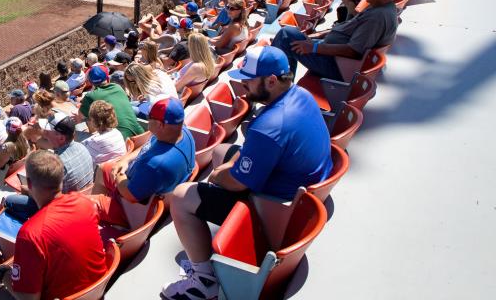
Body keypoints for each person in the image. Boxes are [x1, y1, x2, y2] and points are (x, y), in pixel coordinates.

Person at [163, 46, 332, 300]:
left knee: (180, 197)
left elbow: (237, 183)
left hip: (276, 208)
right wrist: (229, 165)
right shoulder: (302, 94)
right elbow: (258, 153)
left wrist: (219, 176)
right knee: (221, 151)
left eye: (249, 81)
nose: (243, 87)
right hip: (298, 185)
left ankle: (204, 281)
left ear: (271, 80)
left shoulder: (269, 127)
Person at [0, 151, 108, 300]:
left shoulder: (31, 234)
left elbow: (28, 298)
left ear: (30, 183)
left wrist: (4, 274)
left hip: (62, 296)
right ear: (60, 179)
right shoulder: (84, 203)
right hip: (96, 290)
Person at [271, 0, 399, 81]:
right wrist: (318, 36)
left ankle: (277, 87)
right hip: (333, 55)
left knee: (285, 36)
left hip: (337, 65)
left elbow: (354, 51)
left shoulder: (377, 17)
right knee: (290, 34)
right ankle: (281, 83)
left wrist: (313, 48)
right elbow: (349, 30)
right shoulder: (382, 9)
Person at [91, 97, 195, 231]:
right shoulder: (181, 132)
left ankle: (112, 220)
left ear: (160, 125)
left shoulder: (156, 165)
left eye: (149, 117)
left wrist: (120, 173)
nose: (147, 120)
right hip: (141, 181)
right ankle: (107, 215)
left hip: (132, 207)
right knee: (102, 168)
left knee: (86, 204)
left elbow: (130, 195)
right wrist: (125, 160)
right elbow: (149, 145)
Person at [78, 66, 145, 139]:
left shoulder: (90, 96)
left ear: (91, 82)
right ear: (107, 78)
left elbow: (81, 116)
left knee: (80, 130)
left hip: (121, 140)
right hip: (141, 134)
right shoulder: (118, 87)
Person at [172, 33, 218, 102]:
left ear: (193, 47)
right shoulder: (209, 60)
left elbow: (177, 87)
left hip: (177, 94)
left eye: (188, 43)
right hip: (177, 85)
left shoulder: (197, 67)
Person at [81, 101, 127, 165]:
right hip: (116, 165)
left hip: (100, 172)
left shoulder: (95, 142)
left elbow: (82, 157)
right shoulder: (117, 132)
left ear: (94, 121)